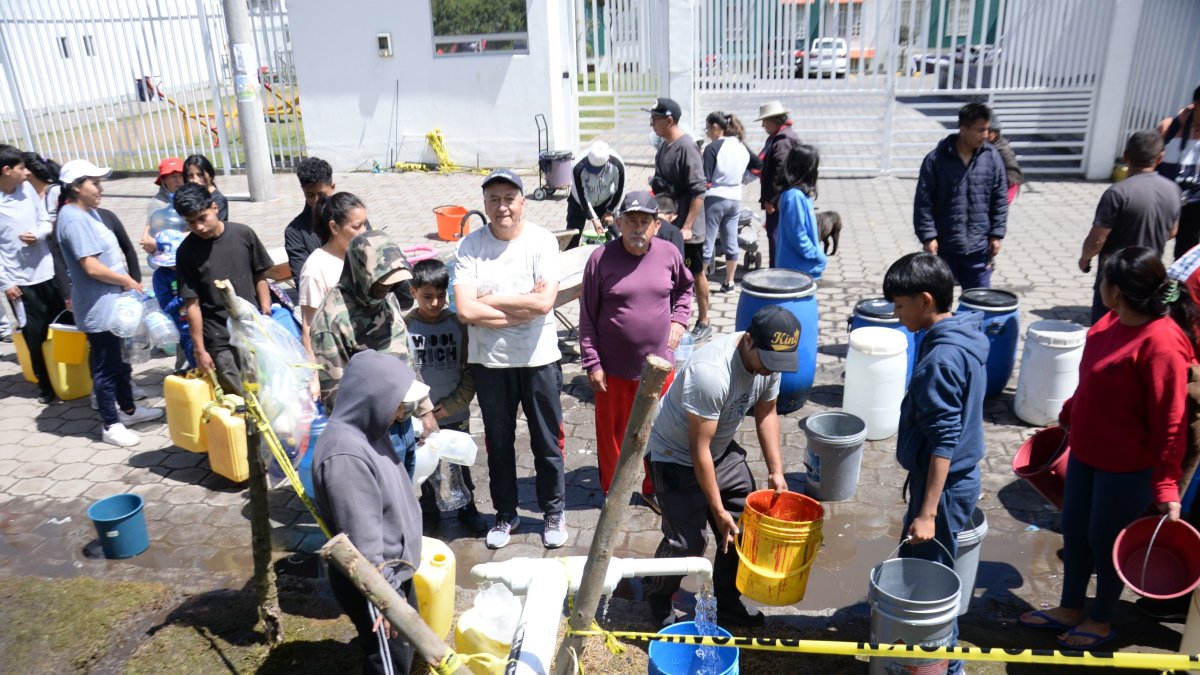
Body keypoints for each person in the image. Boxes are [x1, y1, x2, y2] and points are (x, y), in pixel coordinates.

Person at [1018, 247, 1194, 651]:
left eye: (1102, 280)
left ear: (1116, 290)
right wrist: (1068, 413)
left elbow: (1172, 424)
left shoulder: (1162, 345)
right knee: (1076, 531)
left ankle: (1100, 620)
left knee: (1105, 540)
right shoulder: (1111, 322)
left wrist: (1166, 487)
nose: (1098, 287)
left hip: (1127, 468)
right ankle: (1070, 607)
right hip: (1086, 454)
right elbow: (1091, 381)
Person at [643, 305, 798, 629]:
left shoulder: (771, 361)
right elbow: (698, 451)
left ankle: (727, 600)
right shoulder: (711, 373)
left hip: (719, 450)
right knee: (688, 543)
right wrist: (716, 510)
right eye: (767, 363)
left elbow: (767, 413)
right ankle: (658, 597)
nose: (771, 371)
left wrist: (776, 470)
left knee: (745, 524)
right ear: (749, 341)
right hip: (676, 456)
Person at [883, 252, 989, 675]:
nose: (895, 312)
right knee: (932, 572)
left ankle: (943, 667)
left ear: (925, 300)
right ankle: (934, 658)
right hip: (952, 480)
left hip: (942, 487)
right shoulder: (963, 334)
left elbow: (945, 440)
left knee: (933, 585)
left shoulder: (941, 360)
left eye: (900, 304)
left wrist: (927, 513)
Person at [453, 169, 567, 550]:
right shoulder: (470, 246)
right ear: (485, 205)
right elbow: (466, 311)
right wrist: (521, 307)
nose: (501, 206)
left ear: (523, 201)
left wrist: (489, 300)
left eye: (508, 198)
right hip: (490, 362)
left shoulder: (542, 241)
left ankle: (553, 511)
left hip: (538, 358)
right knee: (498, 443)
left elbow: (545, 302)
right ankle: (506, 514)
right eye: (493, 199)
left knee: (546, 440)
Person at [311, 348, 427, 675]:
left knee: (403, 647)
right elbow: (364, 544)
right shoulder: (345, 456)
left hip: (393, 572)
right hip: (375, 581)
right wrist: (386, 599)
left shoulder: (368, 432)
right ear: (372, 398)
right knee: (388, 661)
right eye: (396, 404)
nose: (399, 413)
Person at [580, 190, 693, 505]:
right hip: (612, 370)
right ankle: (613, 492)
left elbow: (686, 288)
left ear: (657, 226)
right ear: (618, 223)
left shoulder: (669, 254)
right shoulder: (600, 259)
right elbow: (587, 315)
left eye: (645, 221)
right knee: (612, 435)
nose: (638, 228)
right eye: (631, 220)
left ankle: (651, 488)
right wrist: (592, 362)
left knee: (656, 432)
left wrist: (680, 321)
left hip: (659, 368)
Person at [309, 230, 438, 478]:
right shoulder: (332, 320)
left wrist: (425, 410)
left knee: (405, 502)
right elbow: (336, 399)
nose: (387, 287)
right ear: (359, 271)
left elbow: (406, 357)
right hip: (373, 438)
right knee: (384, 509)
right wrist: (384, 415)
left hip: (406, 427)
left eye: (392, 281)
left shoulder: (387, 299)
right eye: (381, 281)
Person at [55, 159, 162, 447]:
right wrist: (127, 281)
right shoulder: (73, 219)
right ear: (76, 187)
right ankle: (110, 423)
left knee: (121, 360)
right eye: (94, 183)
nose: (100, 188)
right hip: (99, 308)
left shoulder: (88, 212)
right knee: (105, 367)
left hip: (115, 304)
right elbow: (91, 267)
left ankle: (128, 410)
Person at [403, 259, 488, 535]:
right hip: (419, 416)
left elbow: (471, 370)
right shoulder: (405, 327)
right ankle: (429, 509)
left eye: (441, 296)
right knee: (425, 462)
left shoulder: (458, 324)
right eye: (427, 297)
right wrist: (418, 409)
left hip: (455, 411)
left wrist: (454, 404)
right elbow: (403, 374)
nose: (435, 303)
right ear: (412, 292)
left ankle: (467, 508)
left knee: (459, 461)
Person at [173, 183, 273, 396]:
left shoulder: (243, 234)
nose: (199, 227)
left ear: (215, 207)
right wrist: (200, 350)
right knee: (237, 399)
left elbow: (260, 275)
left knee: (264, 390)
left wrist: (266, 311)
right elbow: (192, 304)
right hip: (218, 339)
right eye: (191, 222)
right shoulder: (186, 253)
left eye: (202, 218)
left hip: (251, 329)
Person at [1078, 131, 1181, 323]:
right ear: (1160, 158)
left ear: (1125, 156)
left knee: (1105, 332)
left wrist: (1085, 258)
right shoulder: (1173, 189)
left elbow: (1097, 239)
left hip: (1115, 281)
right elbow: (1172, 231)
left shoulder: (1117, 192)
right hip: (1149, 276)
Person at [913, 102, 1009, 289]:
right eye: (980, 130)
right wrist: (928, 237)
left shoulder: (991, 157)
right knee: (939, 306)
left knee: (979, 304)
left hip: (979, 248)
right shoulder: (936, 159)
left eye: (987, 129)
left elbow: (1000, 198)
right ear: (963, 129)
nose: (986, 135)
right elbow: (923, 202)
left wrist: (996, 234)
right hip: (943, 248)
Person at [0, 145, 66, 403]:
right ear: (6, 171)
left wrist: (38, 234)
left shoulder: (27, 190)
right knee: (34, 334)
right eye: (21, 168)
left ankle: (71, 376)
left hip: (48, 273)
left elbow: (45, 221)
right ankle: (46, 386)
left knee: (62, 327)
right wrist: (6, 283)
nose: (27, 173)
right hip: (21, 282)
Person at [646, 97, 711, 341]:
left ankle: (704, 321)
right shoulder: (664, 145)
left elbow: (699, 191)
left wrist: (687, 226)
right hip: (668, 223)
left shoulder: (687, 147)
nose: (651, 123)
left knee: (695, 273)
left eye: (655, 119)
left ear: (669, 120)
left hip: (688, 228)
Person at [298, 192, 367, 364]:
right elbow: (308, 327)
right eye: (356, 226)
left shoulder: (364, 256)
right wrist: (314, 375)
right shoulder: (315, 268)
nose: (364, 232)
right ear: (334, 227)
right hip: (338, 360)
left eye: (365, 224)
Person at [702, 111, 751, 293]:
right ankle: (729, 283)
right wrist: (743, 179)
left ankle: (700, 282)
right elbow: (758, 166)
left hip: (715, 197)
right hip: (735, 198)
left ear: (716, 127)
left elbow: (705, 179)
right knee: (731, 241)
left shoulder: (712, 148)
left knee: (707, 241)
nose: (707, 132)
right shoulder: (741, 146)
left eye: (707, 128)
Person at [755, 100, 800, 269]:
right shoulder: (781, 136)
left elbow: (779, 171)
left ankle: (777, 270)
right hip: (781, 196)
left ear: (774, 120)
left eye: (764, 122)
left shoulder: (782, 140)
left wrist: (771, 199)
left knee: (775, 235)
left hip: (779, 198)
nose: (763, 126)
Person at [1158, 85, 1200, 259]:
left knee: (1186, 254)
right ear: (1196, 104)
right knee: (1149, 247)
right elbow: (1148, 160)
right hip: (1164, 200)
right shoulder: (1169, 127)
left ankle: (1180, 286)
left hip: (1195, 205)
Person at [775, 144, 828, 280]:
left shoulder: (802, 194)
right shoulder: (794, 197)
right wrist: (816, 254)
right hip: (797, 270)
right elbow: (797, 234)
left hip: (803, 268)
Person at [149, 230, 195, 371]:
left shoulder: (191, 266)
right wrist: (185, 295)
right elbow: (167, 306)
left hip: (207, 323)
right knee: (196, 361)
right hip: (185, 328)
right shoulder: (160, 276)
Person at [566, 140, 625, 249]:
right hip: (579, 203)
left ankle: (618, 260)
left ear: (607, 160)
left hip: (605, 201)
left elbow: (619, 189)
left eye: (598, 169)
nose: (595, 172)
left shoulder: (617, 164)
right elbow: (583, 196)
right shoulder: (578, 167)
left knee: (616, 235)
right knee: (572, 236)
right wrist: (594, 219)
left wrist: (610, 211)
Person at [285, 157, 335, 282]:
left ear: (332, 187)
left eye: (321, 194)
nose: (316, 201)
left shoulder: (352, 215)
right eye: (310, 195)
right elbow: (303, 281)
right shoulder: (295, 232)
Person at [138, 157, 186, 253]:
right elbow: (151, 233)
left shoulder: (192, 196)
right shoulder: (157, 204)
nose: (178, 180)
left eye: (180, 175)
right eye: (173, 177)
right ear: (163, 180)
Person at [987, 120, 1025, 204]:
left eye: (989, 132)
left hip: (1011, 182)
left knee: (1001, 206)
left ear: (996, 134)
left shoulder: (1001, 148)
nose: (985, 135)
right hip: (1002, 183)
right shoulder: (993, 145)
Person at [183, 154, 229, 221]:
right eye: (190, 175)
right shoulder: (188, 196)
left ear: (210, 176)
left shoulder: (218, 200)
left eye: (200, 175)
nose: (195, 180)